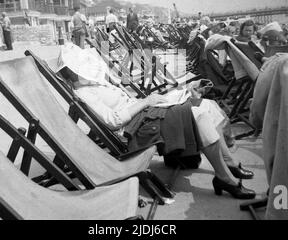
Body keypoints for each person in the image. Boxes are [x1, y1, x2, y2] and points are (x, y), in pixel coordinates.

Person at [57, 44, 256, 200]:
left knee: (208, 104)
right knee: (200, 113)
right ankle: (224, 176)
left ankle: (228, 165)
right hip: (137, 127)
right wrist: (146, 101)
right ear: (71, 73)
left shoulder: (95, 82)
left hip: (146, 113)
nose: (83, 70)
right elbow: (113, 121)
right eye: (77, 70)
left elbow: (129, 101)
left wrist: (154, 100)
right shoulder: (84, 93)